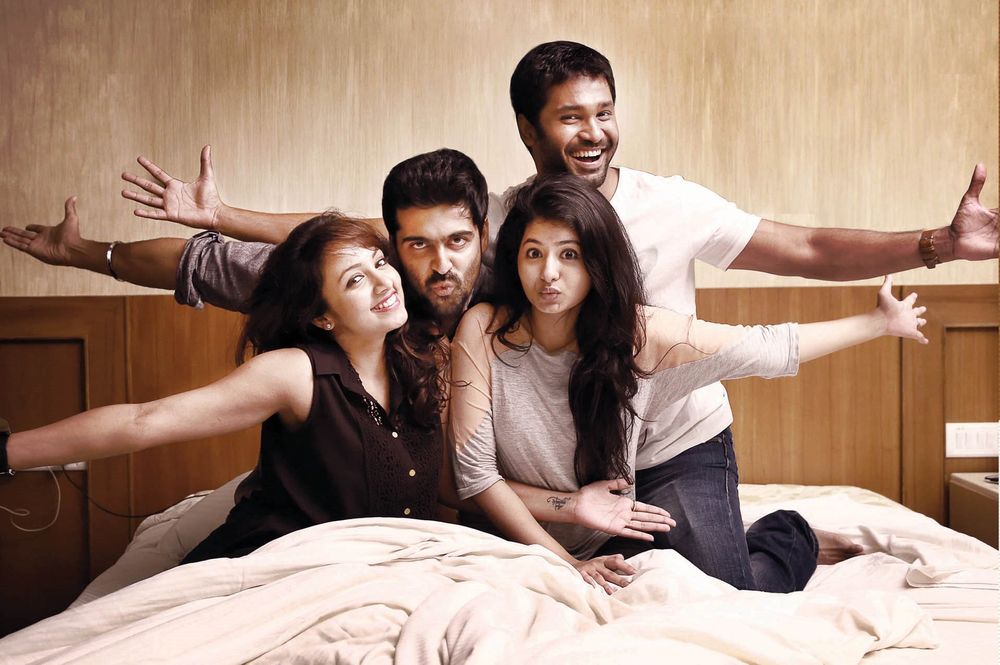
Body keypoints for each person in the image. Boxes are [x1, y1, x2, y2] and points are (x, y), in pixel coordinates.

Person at [1, 44, 994, 585]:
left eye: (603, 111)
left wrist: (935, 246)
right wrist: (120, 245)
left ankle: (778, 535)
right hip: (558, 460)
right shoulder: (488, 235)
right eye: (569, 116)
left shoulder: (671, 209)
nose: (592, 132)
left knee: (716, 582)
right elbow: (314, 245)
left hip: (676, 438)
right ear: (529, 132)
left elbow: (804, 257)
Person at [449, 175, 929, 593]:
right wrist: (569, 558)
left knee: (731, 597)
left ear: (596, 263)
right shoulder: (483, 331)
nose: (548, 273)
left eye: (569, 254)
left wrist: (878, 322)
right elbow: (477, 476)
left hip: (615, 524)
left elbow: (763, 348)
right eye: (534, 253)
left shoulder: (640, 335)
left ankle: (787, 534)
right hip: (539, 532)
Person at [2, 213, 457, 562]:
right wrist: (7, 452)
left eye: (380, 263)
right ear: (322, 316)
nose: (384, 282)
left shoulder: (424, 360)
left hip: (392, 574)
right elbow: (145, 421)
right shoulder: (295, 373)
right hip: (280, 570)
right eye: (355, 279)